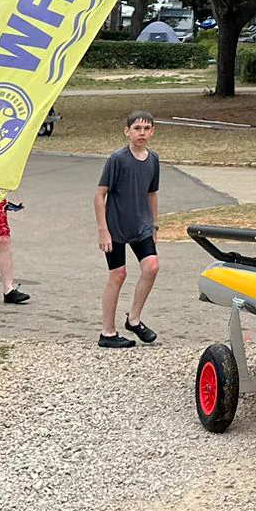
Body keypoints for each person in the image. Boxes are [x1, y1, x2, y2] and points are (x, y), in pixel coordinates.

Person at [95, 110, 161, 348]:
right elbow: (100, 194)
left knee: (151, 266)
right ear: (127, 132)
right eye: (136, 129)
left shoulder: (153, 159)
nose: (141, 133)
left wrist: (154, 223)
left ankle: (134, 319)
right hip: (116, 227)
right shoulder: (117, 159)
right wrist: (103, 230)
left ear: (152, 131)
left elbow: (152, 193)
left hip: (141, 226)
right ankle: (108, 333)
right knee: (118, 275)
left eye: (146, 129)